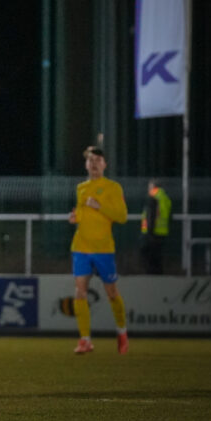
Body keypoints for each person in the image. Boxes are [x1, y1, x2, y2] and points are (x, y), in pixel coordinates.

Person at [67, 146, 129, 355]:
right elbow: (83, 214)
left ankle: (121, 332)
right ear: (86, 164)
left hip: (103, 249)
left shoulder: (113, 188)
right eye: (90, 160)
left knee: (111, 292)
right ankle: (85, 339)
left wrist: (99, 206)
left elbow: (121, 217)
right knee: (79, 291)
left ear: (104, 165)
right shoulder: (81, 188)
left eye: (97, 160)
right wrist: (76, 218)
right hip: (81, 246)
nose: (93, 163)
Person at [140, 178, 171, 275]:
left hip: (152, 233)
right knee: (158, 258)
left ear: (153, 187)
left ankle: (151, 279)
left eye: (149, 186)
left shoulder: (153, 197)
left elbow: (151, 216)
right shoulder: (165, 198)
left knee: (148, 258)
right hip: (162, 233)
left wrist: (149, 233)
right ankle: (159, 277)